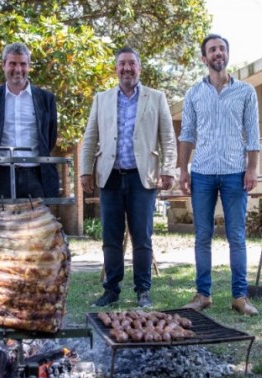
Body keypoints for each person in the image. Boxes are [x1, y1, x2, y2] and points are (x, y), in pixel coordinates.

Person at [80, 47, 177, 309]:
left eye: (132, 63)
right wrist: (85, 170)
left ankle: (143, 290)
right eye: (122, 63)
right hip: (109, 177)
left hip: (141, 178)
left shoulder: (156, 98)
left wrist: (169, 169)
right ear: (115, 68)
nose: (127, 68)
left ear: (139, 67)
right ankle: (111, 289)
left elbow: (168, 136)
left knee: (142, 238)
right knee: (110, 237)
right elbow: (90, 137)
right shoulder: (102, 99)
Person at [177, 34, 261, 316]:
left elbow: (253, 134)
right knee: (203, 235)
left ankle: (240, 297)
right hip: (201, 173)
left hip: (235, 173)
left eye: (222, 48)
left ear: (227, 54)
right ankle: (203, 295)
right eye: (212, 49)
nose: (217, 53)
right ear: (204, 58)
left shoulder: (246, 92)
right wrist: (182, 170)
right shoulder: (193, 94)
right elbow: (187, 135)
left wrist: (252, 168)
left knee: (236, 236)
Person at [0, 43, 59, 200]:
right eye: (12, 63)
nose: (18, 69)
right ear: (3, 65)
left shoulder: (46, 99)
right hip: (0, 175)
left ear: (29, 66)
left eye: (23, 64)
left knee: (36, 224)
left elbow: (50, 137)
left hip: (36, 174)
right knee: (1, 223)